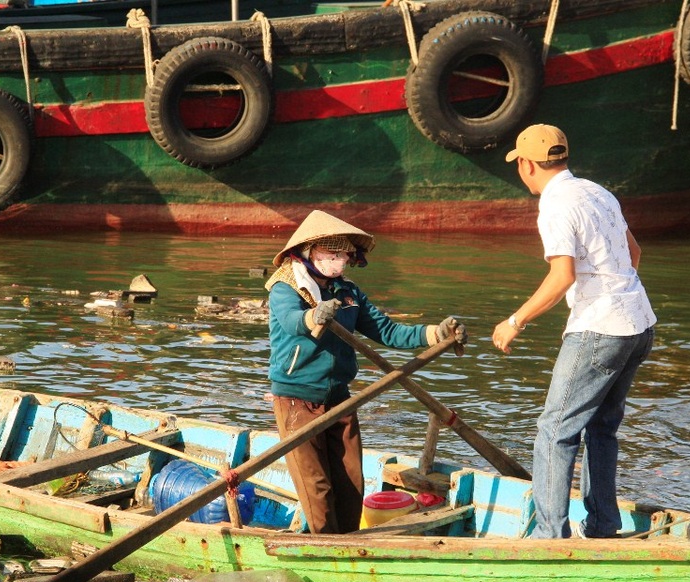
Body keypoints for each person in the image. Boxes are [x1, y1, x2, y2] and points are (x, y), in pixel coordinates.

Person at [491, 124, 656, 540]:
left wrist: (515, 321)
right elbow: (633, 253)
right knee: (602, 428)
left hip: (599, 328)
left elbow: (561, 275)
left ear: (526, 165)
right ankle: (602, 525)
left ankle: (549, 538)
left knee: (554, 431)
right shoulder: (598, 191)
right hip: (638, 323)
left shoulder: (556, 204)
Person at [266, 210, 466, 534]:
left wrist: (435, 333)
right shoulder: (285, 288)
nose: (341, 263)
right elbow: (292, 321)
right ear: (310, 253)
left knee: (350, 487)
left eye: (343, 256)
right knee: (318, 491)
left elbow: (389, 332)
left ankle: (347, 548)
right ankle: (324, 552)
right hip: (297, 402)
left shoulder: (348, 293)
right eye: (333, 256)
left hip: (340, 400)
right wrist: (315, 316)